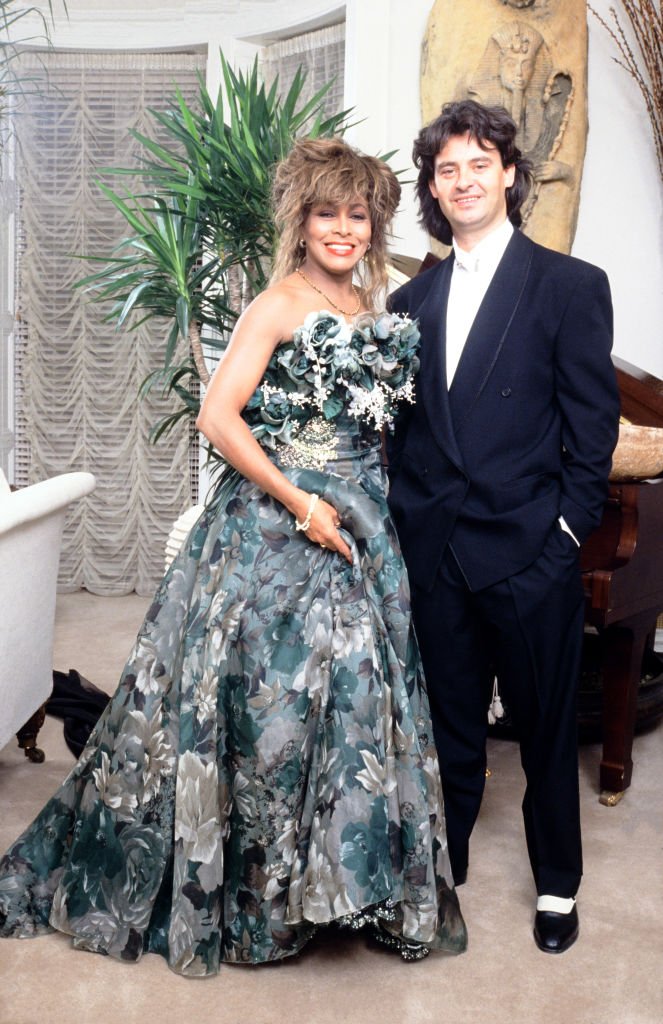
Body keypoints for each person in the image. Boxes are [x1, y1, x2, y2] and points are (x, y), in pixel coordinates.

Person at [0, 137, 467, 976]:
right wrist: (302, 503)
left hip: (361, 526)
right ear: (301, 219)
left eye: (357, 214)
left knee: (355, 705)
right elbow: (219, 418)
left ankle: (339, 885)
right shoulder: (280, 302)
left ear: (373, 223)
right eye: (327, 212)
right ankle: (264, 903)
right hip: (277, 531)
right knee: (273, 711)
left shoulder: (372, 301)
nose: (343, 228)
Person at [386, 100, 620, 955]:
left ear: (508, 175)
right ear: (434, 190)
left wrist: (562, 537)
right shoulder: (408, 299)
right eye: (447, 169)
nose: (463, 180)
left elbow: (591, 429)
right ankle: (440, 861)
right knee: (447, 721)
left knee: (547, 730)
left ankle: (557, 883)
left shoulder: (569, 285)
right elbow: (406, 431)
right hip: (436, 552)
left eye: (478, 163)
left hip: (528, 550)